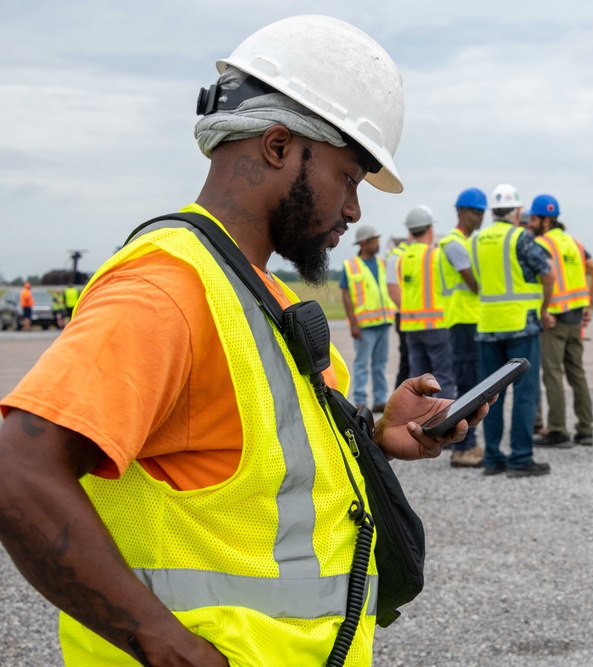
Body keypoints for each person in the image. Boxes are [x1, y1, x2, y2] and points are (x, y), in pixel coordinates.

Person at [0, 16, 486, 666]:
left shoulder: (265, 298)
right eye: (349, 176)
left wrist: (378, 438)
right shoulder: (168, 287)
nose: (354, 210)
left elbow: (257, 478)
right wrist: (167, 644)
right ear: (279, 146)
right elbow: (18, 470)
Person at [472, 183, 555, 477]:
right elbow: (549, 272)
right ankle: (520, 458)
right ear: (518, 211)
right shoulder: (520, 237)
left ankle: (493, 459)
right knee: (525, 394)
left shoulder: (477, 240)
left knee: (490, 397)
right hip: (521, 324)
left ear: (494, 212)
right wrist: (544, 309)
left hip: (487, 326)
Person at [530, 194, 593, 448]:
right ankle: (586, 429)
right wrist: (589, 306)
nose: (531, 222)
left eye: (534, 218)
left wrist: (543, 309)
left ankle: (558, 430)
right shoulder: (574, 242)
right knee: (577, 374)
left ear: (544, 220)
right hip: (575, 318)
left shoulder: (542, 243)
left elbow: (548, 276)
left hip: (554, 320)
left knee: (552, 374)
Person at [439, 188, 487, 467]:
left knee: (473, 383)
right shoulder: (454, 243)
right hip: (462, 322)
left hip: (471, 321)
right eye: (474, 211)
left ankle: (465, 444)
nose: (479, 217)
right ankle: (464, 448)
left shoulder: (470, 242)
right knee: (469, 385)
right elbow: (475, 284)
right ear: (460, 211)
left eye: (482, 212)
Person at [398, 205, 455, 400]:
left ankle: (417, 423)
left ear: (410, 231)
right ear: (430, 229)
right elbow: (451, 287)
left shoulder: (401, 258)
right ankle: (445, 421)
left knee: (417, 380)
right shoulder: (436, 256)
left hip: (411, 327)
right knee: (443, 377)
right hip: (436, 325)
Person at [340, 224, 395, 412]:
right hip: (364, 326)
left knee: (380, 365)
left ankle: (380, 399)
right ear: (363, 243)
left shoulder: (381, 264)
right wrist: (353, 324)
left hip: (383, 322)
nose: (378, 244)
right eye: (374, 241)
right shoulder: (351, 266)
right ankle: (361, 401)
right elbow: (346, 295)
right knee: (362, 364)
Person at [385, 234, 411, 387]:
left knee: (413, 363)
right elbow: (394, 292)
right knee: (407, 362)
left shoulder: (406, 254)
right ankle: (399, 402)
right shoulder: (398, 256)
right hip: (407, 316)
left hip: (415, 317)